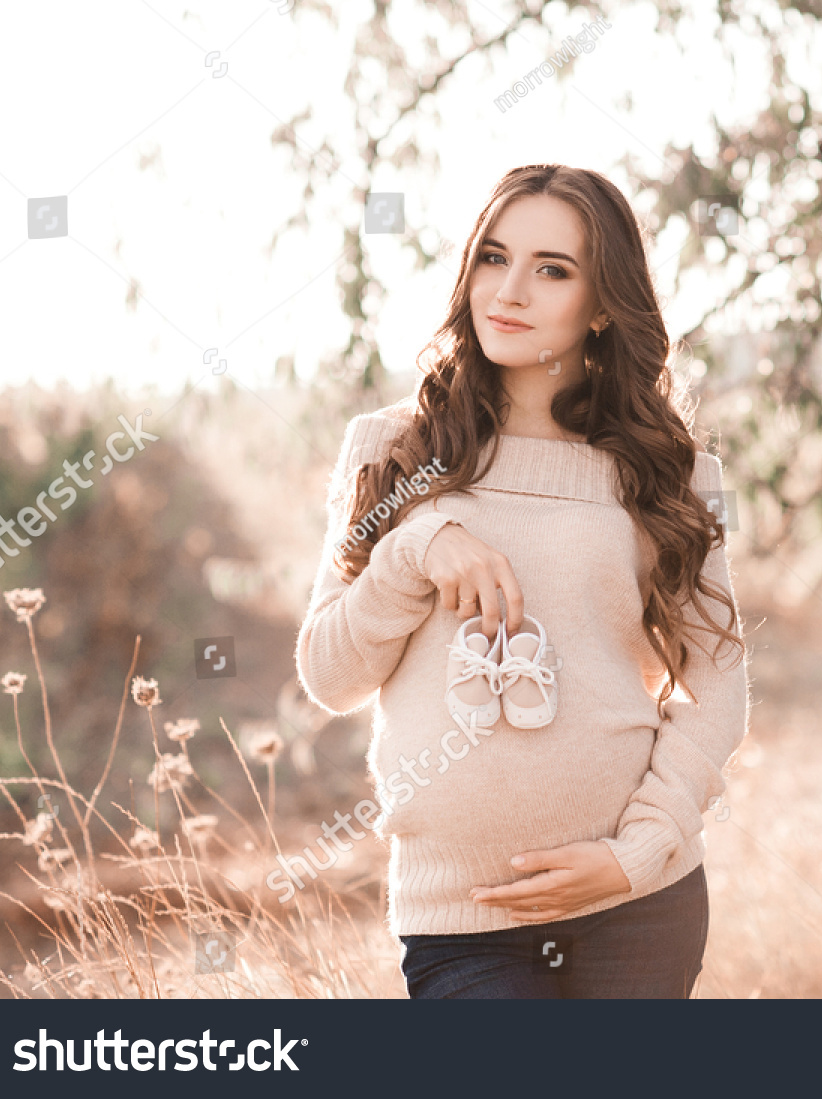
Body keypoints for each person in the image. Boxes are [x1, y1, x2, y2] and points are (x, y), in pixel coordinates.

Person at [295, 164, 749, 998]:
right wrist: (415, 548)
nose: (508, 291)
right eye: (493, 258)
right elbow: (330, 675)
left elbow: (718, 686)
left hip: (637, 906)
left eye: (552, 269)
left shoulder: (671, 473)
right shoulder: (391, 451)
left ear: (604, 302)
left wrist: (634, 854)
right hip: (461, 919)